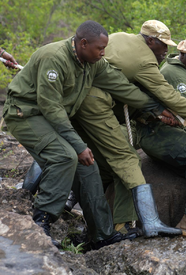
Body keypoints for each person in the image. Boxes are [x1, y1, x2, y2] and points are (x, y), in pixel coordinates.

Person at [2, 20, 147, 249]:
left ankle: (102, 234)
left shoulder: (92, 63)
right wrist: (79, 145)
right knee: (64, 156)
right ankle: (41, 221)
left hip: (51, 118)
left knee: (88, 166)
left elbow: (120, 85)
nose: (103, 53)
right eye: (100, 48)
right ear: (83, 43)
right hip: (25, 113)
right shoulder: (54, 57)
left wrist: (155, 106)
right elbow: (51, 108)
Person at [104, 21, 186, 240]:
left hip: (151, 120)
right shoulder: (161, 68)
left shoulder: (125, 40)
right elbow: (173, 100)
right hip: (148, 128)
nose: (166, 50)